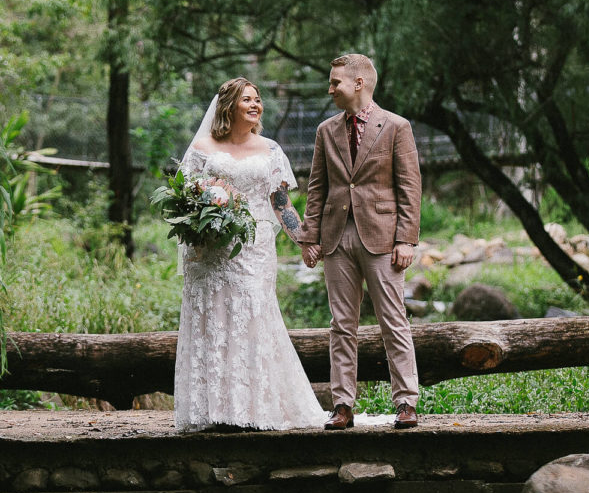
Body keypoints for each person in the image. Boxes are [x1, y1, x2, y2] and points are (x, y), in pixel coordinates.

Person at [173, 77, 322, 432]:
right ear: (229, 106)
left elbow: (281, 203)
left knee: (252, 317)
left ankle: (252, 407)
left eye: (258, 100)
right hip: (210, 251)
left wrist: (303, 241)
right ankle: (211, 410)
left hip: (254, 250)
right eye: (247, 100)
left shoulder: (270, 150)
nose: (256, 105)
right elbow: (183, 199)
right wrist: (199, 222)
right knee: (212, 319)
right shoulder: (203, 148)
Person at [299, 53, 422, 430]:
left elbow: (410, 186)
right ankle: (342, 405)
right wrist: (309, 238)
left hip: (383, 239)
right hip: (336, 239)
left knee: (393, 321)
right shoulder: (326, 130)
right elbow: (317, 187)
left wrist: (406, 239)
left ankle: (405, 403)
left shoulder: (396, 126)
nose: (330, 88)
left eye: (335, 82)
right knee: (341, 325)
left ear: (358, 84)